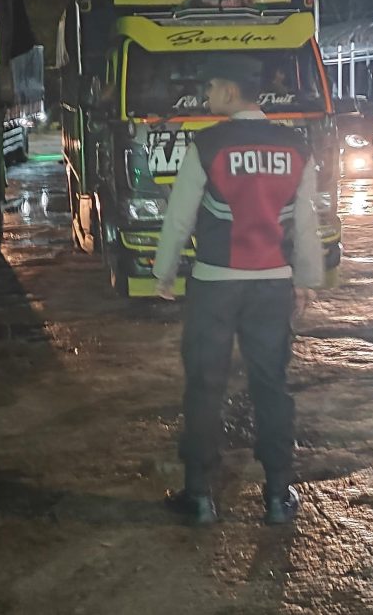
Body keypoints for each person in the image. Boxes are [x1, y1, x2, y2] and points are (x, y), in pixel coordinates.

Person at [152, 55, 323, 526]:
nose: (206, 94)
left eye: (210, 87)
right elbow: (306, 222)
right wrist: (306, 280)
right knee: (271, 385)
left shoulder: (207, 145)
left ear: (230, 92)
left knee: (206, 385)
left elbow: (180, 217)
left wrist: (163, 273)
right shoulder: (296, 147)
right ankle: (277, 495)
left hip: (214, 285)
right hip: (272, 284)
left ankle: (200, 495)